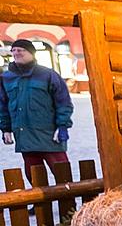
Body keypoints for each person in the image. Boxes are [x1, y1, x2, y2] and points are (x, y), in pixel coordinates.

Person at [0, 39, 73, 185]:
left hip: (50, 134)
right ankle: (41, 207)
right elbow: (3, 105)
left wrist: (62, 126)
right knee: (34, 174)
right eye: (14, 50)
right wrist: (6, 129)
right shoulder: (6, 78)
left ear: (31, 53)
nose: (16, 53)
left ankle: (68, 204)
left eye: (21, 50)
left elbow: (63, 102)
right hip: (24, 134)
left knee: (62, 172)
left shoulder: (48, 75)